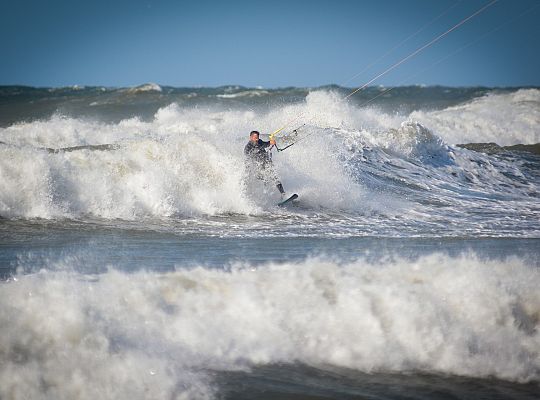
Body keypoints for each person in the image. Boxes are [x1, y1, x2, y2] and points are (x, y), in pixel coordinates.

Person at [244, 130, 286, 196]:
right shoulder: (248, 147)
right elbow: (249, 155)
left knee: (274, 177)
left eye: (258, 137)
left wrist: (270, 142)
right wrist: (260, 149)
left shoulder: (260, 141)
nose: (257, 139)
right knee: (263, 180)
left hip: (266, 162)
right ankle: (267, 196)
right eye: (255, 138)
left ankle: (283, 193)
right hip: (258, 166)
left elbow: (265, 144)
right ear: (251, 137)